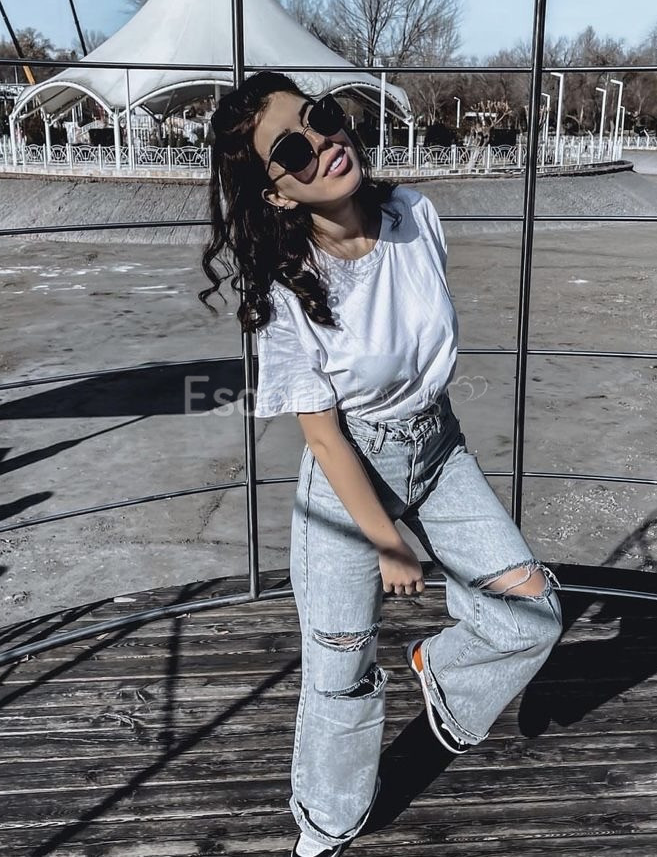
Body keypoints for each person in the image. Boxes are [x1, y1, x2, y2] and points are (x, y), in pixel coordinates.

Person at [200, 70, 563, 856]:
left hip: (435, 447)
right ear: (276, 194)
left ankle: (442, 669)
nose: (322, 142)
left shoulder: (414, 215)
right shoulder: (287, 290)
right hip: (349, 475)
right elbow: (324, 439)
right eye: (291, 149)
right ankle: (327, 823)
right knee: (341, 669)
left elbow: (420, 348)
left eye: (320, 117)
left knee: (532, 611)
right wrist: (387, 542)